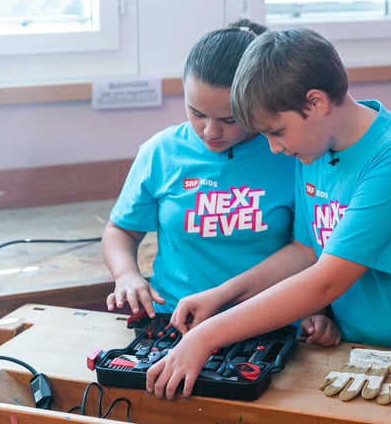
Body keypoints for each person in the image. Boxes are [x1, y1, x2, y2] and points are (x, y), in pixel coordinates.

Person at [146, 26, 391, 400]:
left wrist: (209, 334)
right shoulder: (314, 148)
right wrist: (222, 294)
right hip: (363, 352)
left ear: (316, 103)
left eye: (277, 131)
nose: (273, 148)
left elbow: (326, 279)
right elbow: (306, 251)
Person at [101, 19, 339, 345]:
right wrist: (126, 275)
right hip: (175, 322)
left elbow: (308, 251)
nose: (210, 132)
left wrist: (319, 312)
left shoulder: (290, 151)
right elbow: (120, 230)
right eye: (196, 112)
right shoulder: (161, 152)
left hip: (267, 322)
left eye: (229, 119)